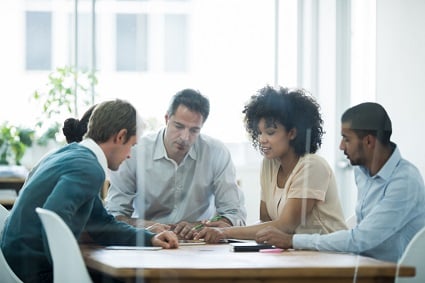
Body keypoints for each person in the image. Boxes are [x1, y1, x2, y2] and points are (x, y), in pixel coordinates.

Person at [1, 99, 179, 283]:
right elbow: (53, 217)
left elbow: (102, 225)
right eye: (132, 145)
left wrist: (150, 238)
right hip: (35, 272)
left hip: (15, 263)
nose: (129, 155)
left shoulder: (70, 154)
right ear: (120, 136)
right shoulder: (88, 167)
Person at [254, 102, 425, 262]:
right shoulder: (362, 172)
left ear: (368, 141)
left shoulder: (405, 181)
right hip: (364, 264)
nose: (341, 146)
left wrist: (293, 240)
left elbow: (360, 239)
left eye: (347, 139)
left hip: (395, 273)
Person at [194, 86, 347, 243]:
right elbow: (266, 222)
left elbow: (286, 226)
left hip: (329, 255)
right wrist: (225, 228)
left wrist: (226, 232)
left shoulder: (313, 166)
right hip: (295, 255)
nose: (262, 139)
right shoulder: (269, 164)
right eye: (259, 133)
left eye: (270, 132)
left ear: (292, 133)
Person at [105, 88, 247, 239]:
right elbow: (115, 214)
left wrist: (199, 225)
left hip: (198, 244)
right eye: (178, 127)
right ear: (166, 119)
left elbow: (233, 214)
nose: (185, 137)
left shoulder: (216, 152)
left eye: (194, 130)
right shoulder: (135, 152)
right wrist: (146, 227)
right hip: (148, 240)